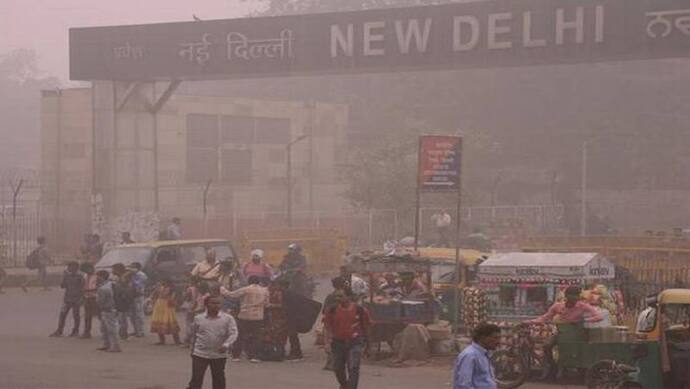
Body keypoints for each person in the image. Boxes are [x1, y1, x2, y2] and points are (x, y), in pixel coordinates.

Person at [525, 286, 604, 379]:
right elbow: (545, 318)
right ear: (566, 295)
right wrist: (528, 322)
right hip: (562, 332)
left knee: (577, 351)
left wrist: (583, 320)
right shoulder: (558, 306)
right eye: (571, 295)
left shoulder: (582, 306)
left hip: (577, 333)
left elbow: (599, 316)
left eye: (576, 295)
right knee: (547, 345)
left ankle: (579, 370)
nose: (574, 298)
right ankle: (552, 366)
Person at [324, 288, 371, 389]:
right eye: (336, 296)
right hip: (337, 343)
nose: (338, 298)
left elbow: (366, 327)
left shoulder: (360, 310)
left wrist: (368, 344)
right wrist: (327, 343)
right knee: (338, 368)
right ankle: (344, 385)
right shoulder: (332, 310)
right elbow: (327, 327)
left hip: (355, 342)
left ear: (349, 297)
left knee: (353, 368)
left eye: (341, 296)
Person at [187, 295, 238, 389]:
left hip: (219, 355)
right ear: (206, 304)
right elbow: (194, 335)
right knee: (196, 379)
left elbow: (233, 333)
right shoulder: (199, 318)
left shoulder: (228, 318)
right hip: (200, 353)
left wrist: (226, 344)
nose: (216, 305)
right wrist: (192, 350)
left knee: (219, 379)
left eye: (218, 303)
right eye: (213, 303)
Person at [221, 276, 269, 363]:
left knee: (240, 335)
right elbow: (266, 304)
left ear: (249, 281)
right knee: (256, 337)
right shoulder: (264, 291)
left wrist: (222, 289)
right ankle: (254, 356)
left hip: (244, 315)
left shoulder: (246, 289)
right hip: (258, 316)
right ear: (259, 282)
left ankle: (236, 355)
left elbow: (232, 295)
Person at [453, 323, 501, 389]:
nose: (498, 342)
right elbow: (464, 385)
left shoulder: (484, 354)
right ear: (482, 337)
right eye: (495, 338)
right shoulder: (470, 355)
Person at [49, 261, 84, 337]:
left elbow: (82, 288)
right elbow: (63, 286)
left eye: (71, 267)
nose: (69, 268)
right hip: (67, 298)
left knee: (76, 315)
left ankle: (75, 330)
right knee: (62, 315)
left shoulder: (80, 276)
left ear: (76, 267)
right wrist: (64, 277)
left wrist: (81, 298)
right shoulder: (67, 276)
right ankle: (59, 330)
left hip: (76, 299)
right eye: (69, 267)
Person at [322, 277, 348, 371]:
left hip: (331, 322)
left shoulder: (330, 297)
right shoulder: (346, 297)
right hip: (342, 322)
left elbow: (324, 310)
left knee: (330, 341)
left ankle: (331, 363)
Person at [96, 270, 121, 352]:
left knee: (111, 329)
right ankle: (107, 344)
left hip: (108, 310)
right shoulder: (111, 284)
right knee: (105, 328)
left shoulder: (103, 288)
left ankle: (115, 346)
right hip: (112, 309)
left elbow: (101, 302)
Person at [150, 279, 182, 345]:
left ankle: (173, 341)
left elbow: (172, 297)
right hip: (162, 305)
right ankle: (174, 341)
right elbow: (153, 295)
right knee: (162, 321)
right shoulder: (163, 288)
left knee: (167, 321)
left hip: (165, 305)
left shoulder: (169, 288)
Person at [111, 263, 134, 340]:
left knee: (122, 318)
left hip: (122, 300)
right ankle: (122, 333)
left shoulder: (124, 278)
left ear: (118, 270)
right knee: (121, 318)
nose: (112, 271)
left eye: (113, 269)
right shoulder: (122, 277)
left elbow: (126, 290)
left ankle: (123, 334)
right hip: (121, 299)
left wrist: (125, 298)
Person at [128, 262, 148, 337]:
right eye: (131, 267)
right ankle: (135, 330)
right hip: (132, 296)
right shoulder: (132, 275)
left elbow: (138, 284)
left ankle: (141, 331)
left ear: (138, 268)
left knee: (139, 314)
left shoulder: (141, 275)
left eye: (133, 267)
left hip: (138, 296)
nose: (131, 268)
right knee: (132, 315)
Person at [80, 262, 99, 338]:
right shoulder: (84, 277)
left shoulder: (97, 277)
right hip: (87, 298)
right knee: (87, 316)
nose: (88, 271)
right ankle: (87, 332)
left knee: (100, 315)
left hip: (95, 298)